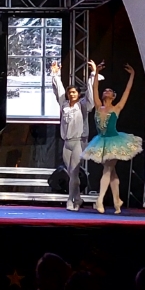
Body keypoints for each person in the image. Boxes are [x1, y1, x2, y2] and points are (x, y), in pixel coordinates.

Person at [81, 61, 143, 214]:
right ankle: (117, 201)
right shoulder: (97, 105)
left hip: (114, 141)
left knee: (108, 169)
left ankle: (99, 200)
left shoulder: (117, 108)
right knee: (112, 172)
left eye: (109, 91)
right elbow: (95, 88)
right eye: (105, 90)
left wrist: (132, 75)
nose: (106, 91)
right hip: (101, 141)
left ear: (114, 96)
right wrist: (96, 73)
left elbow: (127, 90)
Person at [50, 60, 99, 211]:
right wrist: (55, 73)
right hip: (67, 143)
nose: (71, 94)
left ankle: (70, 200)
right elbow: (58, 90)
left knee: (75, 171)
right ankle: (78, 198)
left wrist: (93, 74)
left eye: (74, 92)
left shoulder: (83, 105)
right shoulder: (64, 104)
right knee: (71, 173)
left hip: (79, 141)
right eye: (70, 92)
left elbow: (91, 95)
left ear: (78, 94)